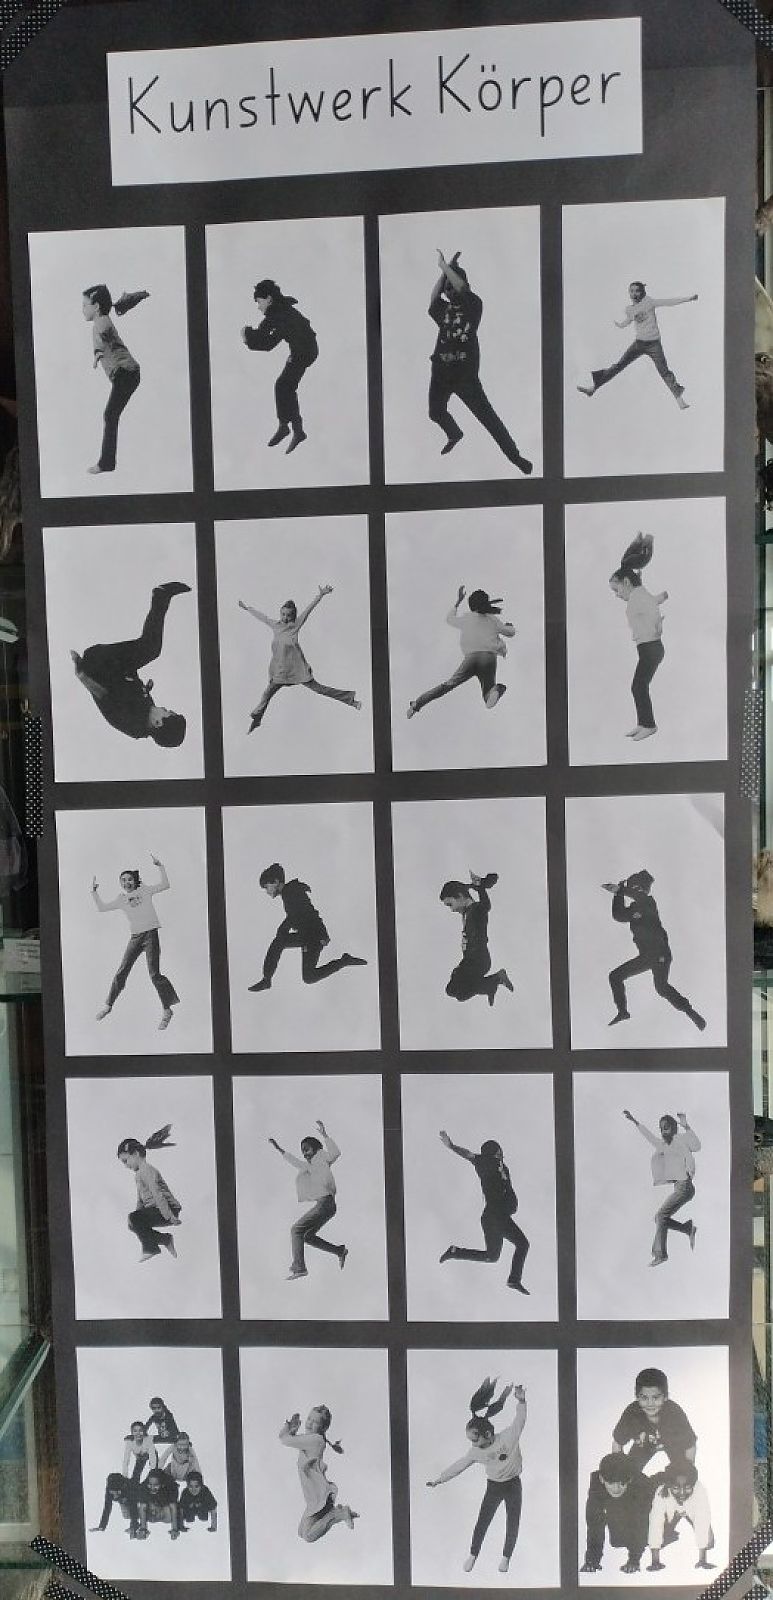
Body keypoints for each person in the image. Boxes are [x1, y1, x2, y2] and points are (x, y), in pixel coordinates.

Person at [427, 250, 532, 472]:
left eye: (452, 286)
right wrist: (443, 273)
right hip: (441, 373)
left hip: (464, 376)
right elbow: (433, 299)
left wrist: (446, 267)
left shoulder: (473, 304)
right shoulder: (444, 310)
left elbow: (462, 288)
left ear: (464, 283)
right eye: (446, 288)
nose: (449, 291)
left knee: (488, 418)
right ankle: (454, 433)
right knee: (435, 412)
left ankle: (516, 457)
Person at [71, 582, 190, 748]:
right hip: (116, 668)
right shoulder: (149, 714)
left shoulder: (132, 723)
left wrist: (82, 675)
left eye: (168, 712)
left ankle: (161, 596)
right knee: (150, 649)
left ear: (158, 723)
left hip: (97, 666)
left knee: (151, 649)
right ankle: (161, 596)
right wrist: (144, 687)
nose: (166, 708)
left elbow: (103, 695)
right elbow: (132, 694)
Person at [426, 1377, 526, 1575]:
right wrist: (440, 1479)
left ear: (488, 1434)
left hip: (513, 1485)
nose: (472, 1444)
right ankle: (473, 1554)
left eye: (475, 1440)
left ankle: (506, 1557)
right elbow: (459, 1466)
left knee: (513, 1522)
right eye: (471, 1441)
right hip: (494, 1487)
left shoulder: (509, 1436)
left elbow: (520, 1420)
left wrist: (521, 1401)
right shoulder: (475, 1452)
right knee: (483, 1521)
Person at [238, 585, 360, 734]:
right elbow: (262, 617)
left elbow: (308, 610)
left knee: (319, 689)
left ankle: (351, 700)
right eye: (283, 614)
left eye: (288, 615)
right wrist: (247, 608)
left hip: (297, 671)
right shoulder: (275, 625)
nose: (285, 618)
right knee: (266, 694)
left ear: (293, 616)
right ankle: (257, 720)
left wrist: (321, 595)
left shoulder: (295, 626)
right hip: (280, 672)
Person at [602, 871, 705, 1030]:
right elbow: (619, 915)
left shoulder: (649, 903)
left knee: (660, 987)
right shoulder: (634, 909)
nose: (635, 892)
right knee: (620, 978)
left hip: (659, 952)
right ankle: (623, 1012)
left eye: (637, 889)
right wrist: (618, 895)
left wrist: (620, 890)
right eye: (633, 889)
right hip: (649, 956)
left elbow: (639, 895)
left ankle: (689, 1011)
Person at [247, 863, 367, 992]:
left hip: (314, 935)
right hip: (308, 935)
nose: (267, 891)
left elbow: (295, 915)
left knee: (281, 944)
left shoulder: (290, 891)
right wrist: (284, 930)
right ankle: (344, 961)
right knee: (308, 976)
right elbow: (296, 915)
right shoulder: (290, 892)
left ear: (276, 882)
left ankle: (266, 980)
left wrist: (282, 930)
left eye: (266, 887)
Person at [92, 857, 180, 1030]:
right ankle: (108, 1005)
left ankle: (167, 1010)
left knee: (154, 974)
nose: (127, 883)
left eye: (129, 879)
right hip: (135, 937)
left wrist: (161, 866)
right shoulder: (121, 899)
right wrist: (94, 892)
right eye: (123, 880)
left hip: (150, 935)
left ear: (135, 880)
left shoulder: (145, 890)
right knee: (122, 971)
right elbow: (102, 908)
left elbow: (165, 885)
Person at [577, 281, 697, 408]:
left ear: (642, 292)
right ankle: (593, 388)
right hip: (639, 343)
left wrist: (688, 298)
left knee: (664, 371)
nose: (634, 294)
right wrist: (620, 325)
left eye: (637, 291)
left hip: (654, 344)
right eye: (631, 291)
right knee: (618, 366)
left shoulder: (649, 302)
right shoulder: (629, 309)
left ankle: (679, 399)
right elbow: (628, 320)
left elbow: (668, 302)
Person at [437, 1131, 530, 1293]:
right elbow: (469, 1155)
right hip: (495, 1215)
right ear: (495, 1151)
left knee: (492, 1256)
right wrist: (451, 1146)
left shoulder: (504, 1169)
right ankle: (514, 1280)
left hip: (494, 1218)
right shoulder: (486, 1162)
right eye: (499, 1151)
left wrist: (512, 1203)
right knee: (522, 1244)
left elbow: (507, 1191)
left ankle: (455, 1252)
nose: (502, 1154)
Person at [407, 586, 514, 719]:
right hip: (488, 658)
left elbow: (449, 619)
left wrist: (458, 601)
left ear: (471, 606)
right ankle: (496, 690)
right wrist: (510, 626)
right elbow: (510, 633)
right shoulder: (492, 619)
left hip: (471, 658)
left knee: (447, 685)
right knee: (488, 695)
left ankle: (416, 705)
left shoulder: (466, 619)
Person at [241, 278, 319, 454]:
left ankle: (290, 428)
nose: (258, 307)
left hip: (305, 351)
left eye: (259, 302)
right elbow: (264, 334)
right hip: (302, 349)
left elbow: (268, 343)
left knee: (283, 385)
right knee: (285, 386)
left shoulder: (281, 315)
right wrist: (251, 335)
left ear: (269, 299)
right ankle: (293, 428)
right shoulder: (277, 311)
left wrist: (247, 336)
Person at [269, 1120, 348, 1281]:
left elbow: (335, 1153)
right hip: (326, 1205)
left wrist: (325, 1135)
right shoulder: (309, 1166)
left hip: (326, 1203)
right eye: (302, 1151)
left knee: (296, 1230)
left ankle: (300, 1267)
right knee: (307, 1236)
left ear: (315, 1148)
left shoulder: (322, 1156)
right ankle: (339, 1251)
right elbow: (295, 1162)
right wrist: (279, 1149)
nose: (304, 1153)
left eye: (307, 1149)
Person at [82, 285, 148, 473]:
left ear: (96, 307)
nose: (82, 309)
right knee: (111, 415)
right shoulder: (102, 321)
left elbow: (102, 333)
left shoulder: (101, 322)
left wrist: (98, 352)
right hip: (128, 374)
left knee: (110, 415)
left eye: (85, 305)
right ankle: (107, 463)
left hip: (125, 373)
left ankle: (106, 463)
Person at [608, 534, 667, 742]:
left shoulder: (637, 598)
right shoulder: (639, 595)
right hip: (649, 648)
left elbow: (650, 607)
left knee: (638, 686)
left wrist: (656, 627)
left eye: (616, 590)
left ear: (626, 582)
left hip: (650, 648)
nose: (617, 595)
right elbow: (653, 601)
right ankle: (643, 723)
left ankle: (649, 725)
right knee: (639, 686)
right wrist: (662, 597)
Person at [623, 1109, 700, 1266]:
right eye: (661, 1129)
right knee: (660, 1219)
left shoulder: (680, 1140)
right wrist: (635, 1122)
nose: (664, 1131)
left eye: (666, 1128)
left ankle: (660, 1254)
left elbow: (696, 1147)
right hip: (680, 1187)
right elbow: (649, 1137)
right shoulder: (663, 1145)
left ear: (673, 1128)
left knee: (660, 1216)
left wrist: (686, 1126)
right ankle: (687, 1229)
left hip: (685, 1186)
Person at [279, 1405, 359, 1542]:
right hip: (313, 1497)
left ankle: (338, 1514)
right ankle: (335, 1512)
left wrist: (289, 1426)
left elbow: (284, 1440)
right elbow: (290, 1439)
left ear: (323, 1428)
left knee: (308, 1535)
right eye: (309, 1419)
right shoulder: (312, 1439)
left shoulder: (315, 1440)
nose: (310, 1423)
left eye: (315, 1422)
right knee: (301, 1532)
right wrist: (293, 1430)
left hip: (320, 1497)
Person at [440, 870, 513, 1006]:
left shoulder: (476, 910)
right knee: (453, 991)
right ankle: (492, 983)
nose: (452, 910)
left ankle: (495, 980)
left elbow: (485, 906)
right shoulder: (467, 912)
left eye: (450, 904)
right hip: (470, 959)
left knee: (458, 991)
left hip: (479, 959)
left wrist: (481, 889)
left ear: (460, 896)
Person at [611, 1368, 697, 1478]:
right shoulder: (632, 1413)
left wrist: (688, 1473)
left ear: (665, 1397)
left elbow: (690, 1445)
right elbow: (617, 1443)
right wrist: (619, 1471)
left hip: (672, 1442)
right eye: (644, 1398)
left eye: (656, 1398)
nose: (650, 1403)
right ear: (637, 1397)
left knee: (681, 1473)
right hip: (644, 1443)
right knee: (628, 1474)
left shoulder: (674, 1413)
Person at [581, 1453, 654, 1575]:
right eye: (611, 1483)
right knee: (617, 1541)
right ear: (601, 1479)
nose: (616, 1489)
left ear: (630, 1479)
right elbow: (594, 1525)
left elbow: (641, 1525)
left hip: (645, 1500)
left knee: (648, 1537)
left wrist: (633, 1561)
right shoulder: (596, 1483)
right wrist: (591, 1561)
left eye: (621, 1483)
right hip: (622, 1500)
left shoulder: (642, 1486)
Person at [117, 1126, 181, 1264]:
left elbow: (157, 1193)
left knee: (134, 1218)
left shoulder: (146, 1170)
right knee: (132, 1223)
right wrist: (135, 1217)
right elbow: (140, 1199)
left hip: (168, 1209)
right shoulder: (138, 1174)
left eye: (126, 1161)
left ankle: (151, 1248)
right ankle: (165, 1239)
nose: (126, 1166)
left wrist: (169, 1216)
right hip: (156, 1210)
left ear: (135, 1154)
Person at [647, 1459, 714, 1571]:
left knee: (709, 1543)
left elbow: (702, 1518)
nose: (682, 1493)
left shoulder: (699, 1490)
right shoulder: (661, 1492)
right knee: (658, 1542)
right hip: (671, 1510)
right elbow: (655, 1523)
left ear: (693, 1485)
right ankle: (669, 1532)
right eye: (676, 1488)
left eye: (687, 1488)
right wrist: (655, 1561)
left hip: (691, 1508)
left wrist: (702, 1560)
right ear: (669, 1486)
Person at [134, 1469, 181, 1539]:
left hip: (165, 1505)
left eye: (156, 1485)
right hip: (153, 1504)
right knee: (146, 1513)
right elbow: (143, 1506)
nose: (152, 1488)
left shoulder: (171, 1488)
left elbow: (173, 1507)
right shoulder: (144, 1487)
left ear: (162, 1484)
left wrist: (174, 1529)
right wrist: (143, 1528)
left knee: (169, 1518)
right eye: (150, 1485)